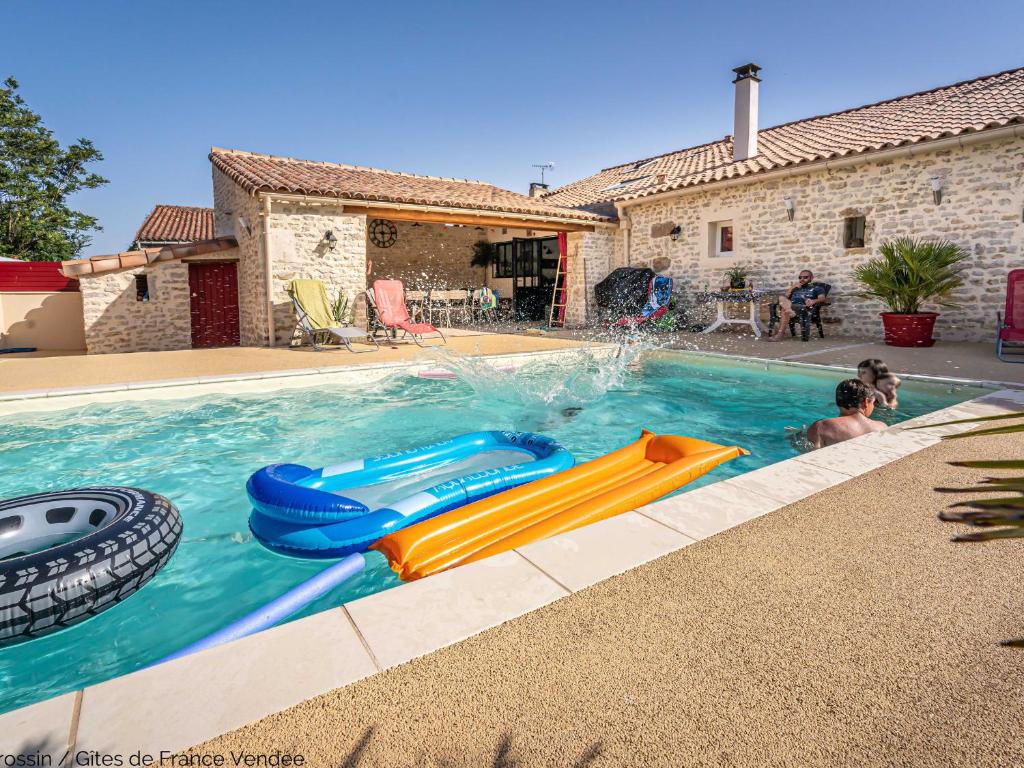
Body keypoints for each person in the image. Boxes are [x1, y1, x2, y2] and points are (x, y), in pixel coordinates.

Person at [806, 379, 886, 448]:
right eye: (873, 402)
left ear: (837, 401)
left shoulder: (821, 427)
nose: (873, 406)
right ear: (866, 402)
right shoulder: (881, 427)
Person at [766, 270, 828, 342]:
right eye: (800, 277)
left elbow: (822, 298)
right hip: (791, 306)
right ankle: (790, 311)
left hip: (803, 308)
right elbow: (786, 296)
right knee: (781, 298)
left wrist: (813, 301)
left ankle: (780, 335)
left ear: (811, 278)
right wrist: (792, 287)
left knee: (784, 310)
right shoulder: (796, 287)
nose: (802, 279)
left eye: (805, 277)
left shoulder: (817, 288)